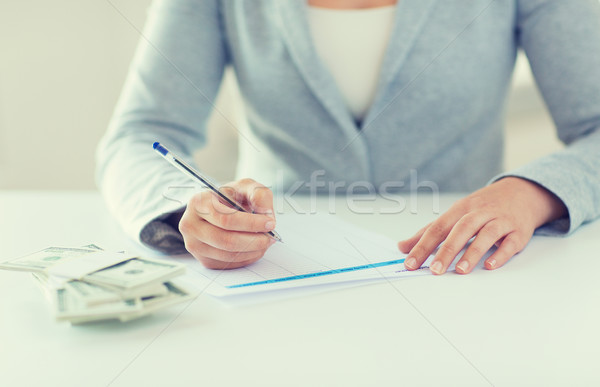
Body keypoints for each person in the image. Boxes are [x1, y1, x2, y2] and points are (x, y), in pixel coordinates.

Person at [96, 0, 600, 275]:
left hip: (459, 270)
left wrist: (533, 195)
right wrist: (191, 214)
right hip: (277, 271)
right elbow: (140, 136)